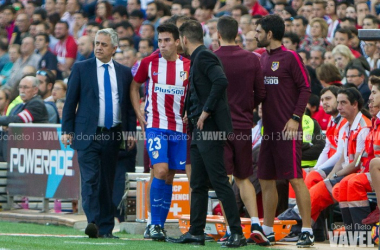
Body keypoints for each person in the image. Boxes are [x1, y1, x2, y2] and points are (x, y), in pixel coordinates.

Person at [169, 20, 246, 248]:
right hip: (198, 129)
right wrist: (188, 112)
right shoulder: (198, 58)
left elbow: (220, 81)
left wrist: (205, 111)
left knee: (219, 181)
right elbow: (199, 90)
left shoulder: (204, 57)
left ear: (183, 39)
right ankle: (196, 232)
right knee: (199, 183)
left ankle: (237, 233)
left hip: (209, 129)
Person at [61, 28, 136, 239]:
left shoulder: (123, 72)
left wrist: (130, 132)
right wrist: (67, 130)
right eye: (96, 43)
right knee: (90, 179)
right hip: (87, 134)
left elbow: (129, 107)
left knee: (107, 183)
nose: (98, 48)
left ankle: (106, 229)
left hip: (112, 135)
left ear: (114, 48)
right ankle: (93, 221)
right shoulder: (81, 68)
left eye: (103, 44)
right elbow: (70, 101)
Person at [253, 15, 313, 247]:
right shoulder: (261, 60)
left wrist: (296, 118)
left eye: (258, 31)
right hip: (268, 131)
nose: (255, 35)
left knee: (295, 179)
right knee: (265, 179)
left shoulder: (290, 57)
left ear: (269, 34)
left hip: (288, 130)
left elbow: (306, 88)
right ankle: (267, 229)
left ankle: (306, 230)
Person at [130, 23, 190, 241]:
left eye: (166, 40)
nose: (162, 45)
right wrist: (139, 112)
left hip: (180, 128)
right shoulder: (149, 62)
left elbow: (195, 93)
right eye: (160, 41)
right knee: (161, 171)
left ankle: (158, 226)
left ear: (177, 41)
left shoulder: (188, 66)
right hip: (155, 125)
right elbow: (134, 86)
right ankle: (154, 223)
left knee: (170, 176)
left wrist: (190, 112)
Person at [213, 16, 266, 243]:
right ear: (237, 34)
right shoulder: (252, 59)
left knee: (224, 180)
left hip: (219, 128)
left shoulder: (211, 59)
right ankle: (255, 223)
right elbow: (261, 93)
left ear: (218, 34)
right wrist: (247, 108)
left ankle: (230, 229)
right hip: (244, 125)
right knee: (243, 177)